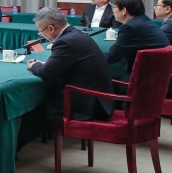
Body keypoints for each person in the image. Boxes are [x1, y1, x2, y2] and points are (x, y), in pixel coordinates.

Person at [19, 8, 114, 148]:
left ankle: (12, 151)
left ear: (51, 28)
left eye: (41, 32)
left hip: (88, 103)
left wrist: (34, 66)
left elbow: (46, 73)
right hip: (98, 96)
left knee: (33, 108)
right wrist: (47, 65)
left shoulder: (65, 42)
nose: (42, 35)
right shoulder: (76, 34)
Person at [106, 0, 170, 79]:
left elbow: (112, 56)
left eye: (114, 7)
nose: (112, 10)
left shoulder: (131, 27)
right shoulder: (142, 20)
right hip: (161, 77)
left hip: (148, 81)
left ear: (124, 10)